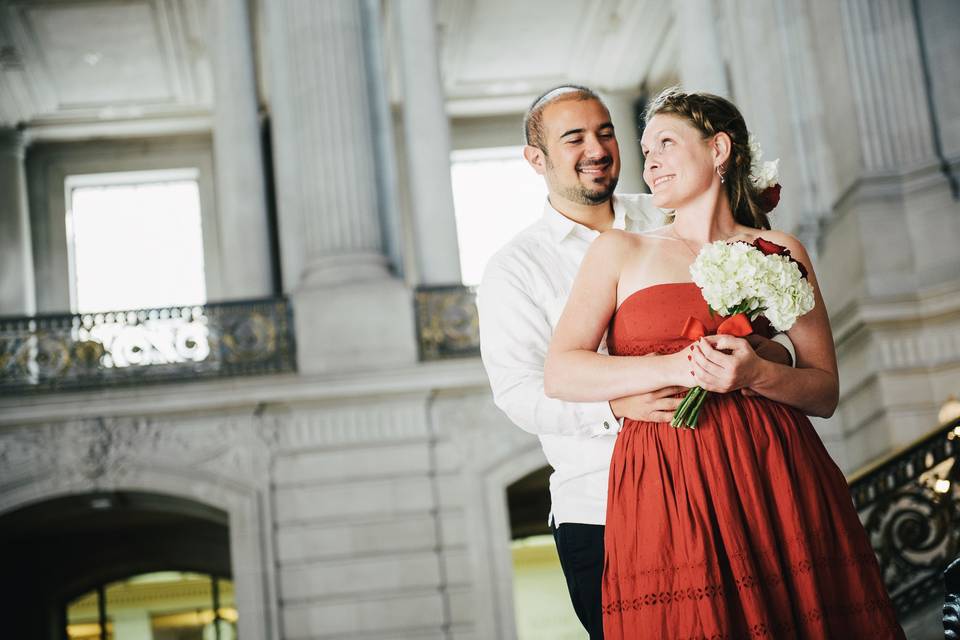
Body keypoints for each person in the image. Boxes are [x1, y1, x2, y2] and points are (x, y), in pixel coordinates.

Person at [543, 86, 904, 638]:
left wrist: (757, 373)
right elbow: (561, 371)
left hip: (776, 471)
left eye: (666, 142)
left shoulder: (779, 250)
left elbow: (824, 391)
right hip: (665, 476)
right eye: (646, 149)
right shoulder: (620, 250)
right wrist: (678, 367)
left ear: (718, 149)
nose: (651, 161)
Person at [478, 85, 794, 639]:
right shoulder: (515, 268)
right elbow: (520, 392)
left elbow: (765, 318)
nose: (597, 149)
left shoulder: (672, 210)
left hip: (721, 482)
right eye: (573, 138)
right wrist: (614, 406)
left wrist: (760, 354)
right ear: (536, 159)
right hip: (599, 506)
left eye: (605, 132)